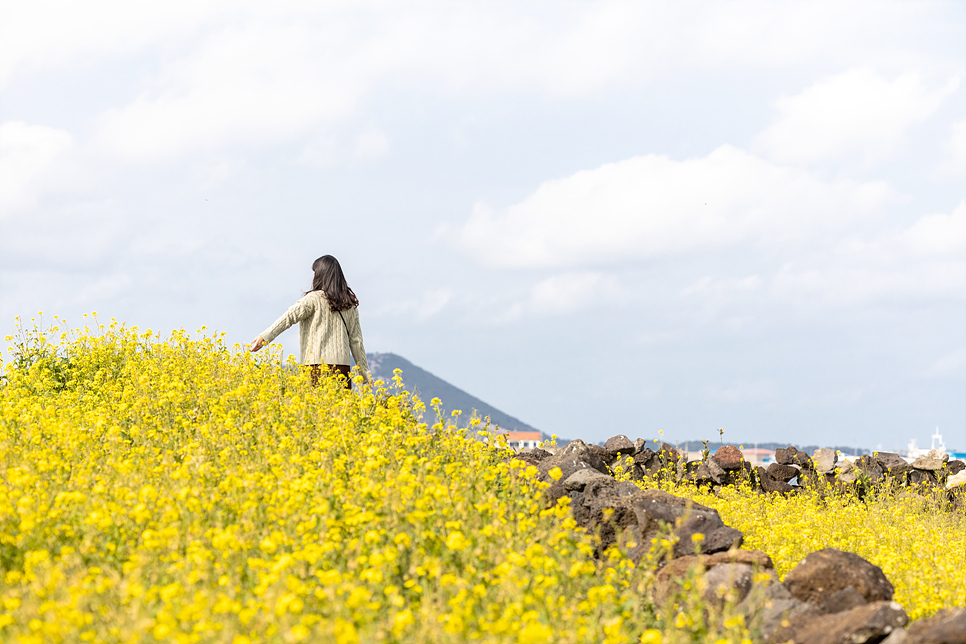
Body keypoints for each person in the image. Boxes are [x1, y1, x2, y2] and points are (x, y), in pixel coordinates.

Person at [250, 255, 372, 389]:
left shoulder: (313, 299)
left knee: (315, 408)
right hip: (342, 369)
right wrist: (365, 373)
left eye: (314, 273)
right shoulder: (349, 304)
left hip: (316, 367)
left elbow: (288, 317)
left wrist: (265, 337)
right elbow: (356, 341)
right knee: (339, 409)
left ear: (320, 275)